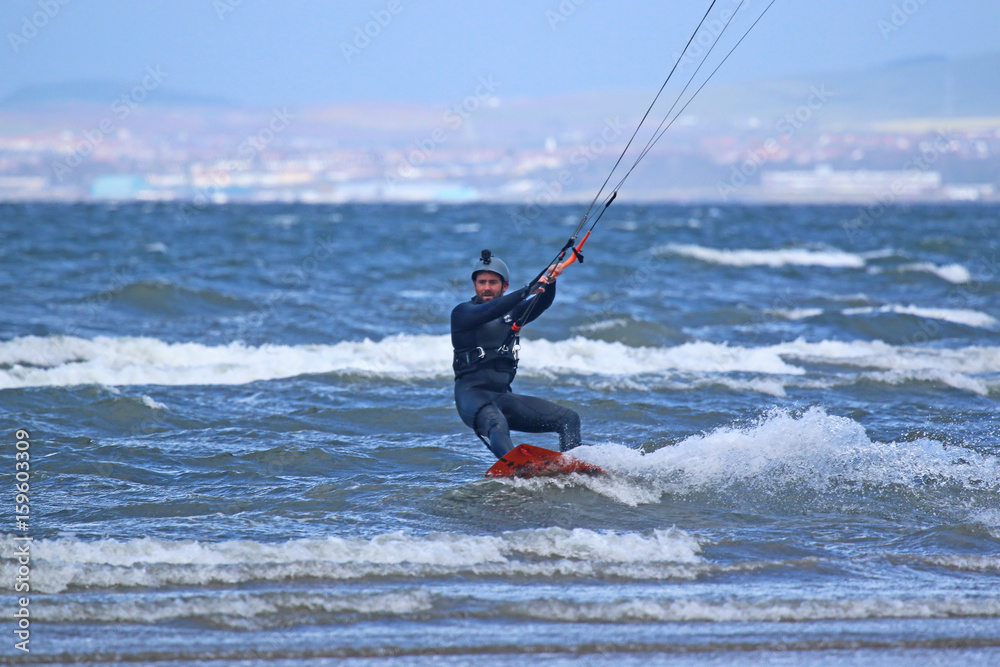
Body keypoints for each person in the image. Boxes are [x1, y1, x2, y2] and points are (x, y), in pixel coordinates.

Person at [451, 249, 582, 459]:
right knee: (497, 423)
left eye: (493, 283)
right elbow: (490, 310)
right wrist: (527, 289)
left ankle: (574, 468)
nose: (486, 287)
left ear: (504, 286)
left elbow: (541, 303)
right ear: (474, 285)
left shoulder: (514, 313)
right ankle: (514, 468)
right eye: (481, 282)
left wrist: (550, 282)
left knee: (569, 419)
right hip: (472, 397)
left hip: (502, 396)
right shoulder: (462, 313)